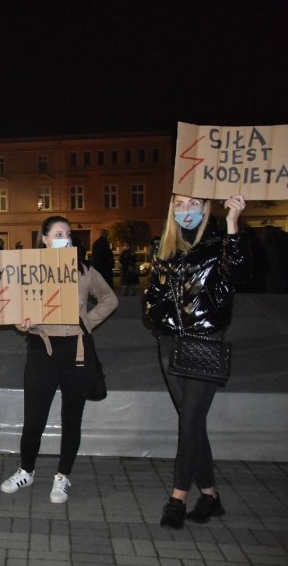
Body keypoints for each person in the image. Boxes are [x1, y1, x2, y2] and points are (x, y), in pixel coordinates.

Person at [143, 194, 247, 529]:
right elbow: (153, 297)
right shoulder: (166, 249)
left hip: (204, 342)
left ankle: (177, 497)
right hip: (170, 345)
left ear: (206, 208)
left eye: (193, 204)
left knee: (188, 422)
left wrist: (233, 224)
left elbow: (238, 271)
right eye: (179, 204)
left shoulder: (218, 244)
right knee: (193, 423)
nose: (185, 211)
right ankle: (211, 497)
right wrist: (159, 319)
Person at [0, 216, 118, 503]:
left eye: (67, 232)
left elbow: (109, 299)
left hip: (75, 352)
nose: (64, 236)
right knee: (33, 419)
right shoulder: (30, 270)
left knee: (71, 418)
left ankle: (63, 476)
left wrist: (86, 323)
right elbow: (16, 310)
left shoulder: (83, 270)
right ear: (44, 239)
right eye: (57, 233)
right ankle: (26, 470)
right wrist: (23, 323)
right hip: (42, 350)